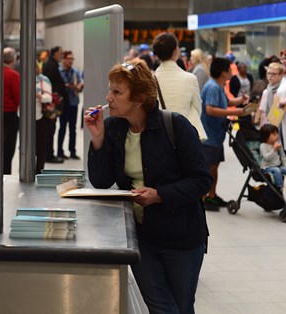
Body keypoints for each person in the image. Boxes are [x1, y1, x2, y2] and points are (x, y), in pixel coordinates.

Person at [84, 60, 212, 314]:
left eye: (117, 92)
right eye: (110, 90)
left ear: (140, 98)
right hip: (142, 236)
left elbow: (202, 180)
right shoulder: (114, 128)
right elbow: (101, 181)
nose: (108, 98)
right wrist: (97, 140)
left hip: (182, 237)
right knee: (159, 306)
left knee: (182, 306)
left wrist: (160, 195)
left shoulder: (175, 126)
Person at [201, 57, 249, 211]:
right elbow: (210, 109)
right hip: (210, 136)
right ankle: (205, 197)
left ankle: (212, 195)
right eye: (230, 69)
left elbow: (225, 102)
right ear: (223, 73)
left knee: (214, 167)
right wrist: (235, 112)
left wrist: (240, 101)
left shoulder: (218, 86)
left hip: (215, 135)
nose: (232, 72)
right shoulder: (213, 87)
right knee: (210, 169)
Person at [152, 32, 206, 141]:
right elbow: (197, 109)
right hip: (186, 136)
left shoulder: (150, 80)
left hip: (159, 136)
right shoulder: (190, 79)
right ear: (176, 51)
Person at [57, 50, 83, 160]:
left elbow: (80, 83)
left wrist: (79, 86)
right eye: (69, 59)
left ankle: (72, 151)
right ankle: (60, 151)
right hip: (63, 103)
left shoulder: (75, 71)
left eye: (72, 59)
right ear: (63, 59)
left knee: (73, 128)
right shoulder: (58, 71)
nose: (71, 61)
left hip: (73, 102)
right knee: (62, 128)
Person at [42, 46, 65, 163]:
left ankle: (48, 154)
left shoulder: (51, 64)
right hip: (51, 103)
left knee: (50, 129)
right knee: (50, 129)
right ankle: (49, 155)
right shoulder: (52, 65)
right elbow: (50, 83)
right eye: (60, 53)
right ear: (55, 54)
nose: (62, 55)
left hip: (52, 102)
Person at [2, 47, 21, 175]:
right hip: (9, 115)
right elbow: (19, 97)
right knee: (8, 149)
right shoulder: (13, 75)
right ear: (13, 60)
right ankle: (5, 174)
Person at [35, 61, 53, 173]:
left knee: (40, 148)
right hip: (25, 118)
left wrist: (36, 95)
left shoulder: (43, 80)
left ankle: (38, 172)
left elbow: (48, 98)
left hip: (40, 117)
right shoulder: (22, 78)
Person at [258, 124, 286, 190]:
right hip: (267, 167)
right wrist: (274, 149)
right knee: (277, 170)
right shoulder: (263, 146)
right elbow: (266, 158)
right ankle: (280, 187)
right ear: (266, 137)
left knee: (282, 169)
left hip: (277, 165)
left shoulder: (277, 144)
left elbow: (283, 157)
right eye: (274, 134)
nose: (277, 136)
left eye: (277, 134)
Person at [256, 62, 283, 127]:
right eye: (269, 73)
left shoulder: (282, 91)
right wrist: (261, 128)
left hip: (281, 124)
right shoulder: (266, 91)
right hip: (267, 124)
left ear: (280, 75)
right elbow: (263, 112)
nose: (270, 76)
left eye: (274, 74)